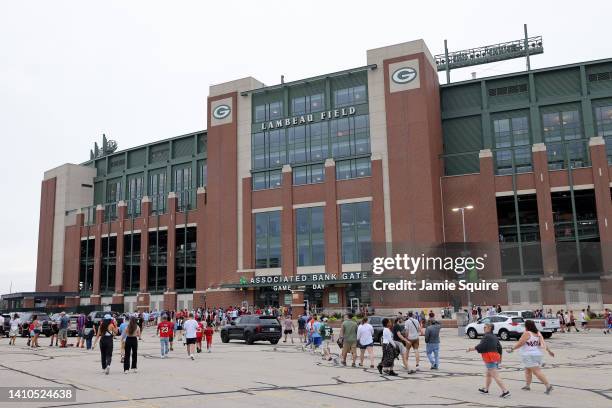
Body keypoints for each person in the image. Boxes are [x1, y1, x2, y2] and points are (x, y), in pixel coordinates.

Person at [508, 320, 554, 394]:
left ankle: (548, 386)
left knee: (536, 371)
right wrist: (549, 351)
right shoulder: (537, 333)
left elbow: (520, 343)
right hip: (536, 354)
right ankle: (527, 385)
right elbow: (542, 343)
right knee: (527, 370)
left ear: (527, 326)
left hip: (528, 355)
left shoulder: (527, 333)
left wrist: (512, 349)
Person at [467, 323, 510, 398]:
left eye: (485, 327)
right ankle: (486, 389)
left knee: (495, 376)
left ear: (490, 328)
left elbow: (481, 346)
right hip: (495, 357)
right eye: (484, 327)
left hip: (490, 358)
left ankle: (505, 391)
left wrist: (470, 349)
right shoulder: (494, 336)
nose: (484, 328)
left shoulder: (486, 336)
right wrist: (500, 358)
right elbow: (499, 347)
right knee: (488, 374)